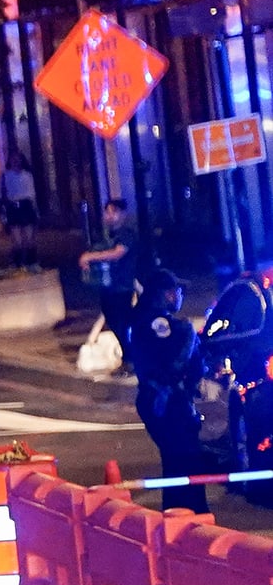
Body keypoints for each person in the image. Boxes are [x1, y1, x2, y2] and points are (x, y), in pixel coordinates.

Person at [125, 270, 209, 513]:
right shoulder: (157, 324)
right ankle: (190, 515)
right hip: (166, 402)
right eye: (177, 291)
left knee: (177, 464)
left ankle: (178, 514)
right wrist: (189, 335)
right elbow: (171, 365)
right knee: (186, 463)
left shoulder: (144, 320)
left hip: (162, 401)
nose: (180, 296)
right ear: (166, 294)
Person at [204, 256, 273, 500]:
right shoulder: (253, 293)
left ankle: (256, 482)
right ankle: (258, 484)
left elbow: (214, 335)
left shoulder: (250, 293)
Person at [78, 200, 142, 332]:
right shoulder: (108, 236)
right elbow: (101, 252)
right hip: (108, 286)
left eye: (114, 212)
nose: (110, 215)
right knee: (113, 321)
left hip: (122, 287)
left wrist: (90, 257)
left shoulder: (126, 234)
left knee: (122, 324)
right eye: (107, 212)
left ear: (123, 214)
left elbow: (117, 253)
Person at [0, 152, 39, 268]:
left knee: (29, 238)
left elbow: (32, 194)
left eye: (18, 159)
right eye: (13, 159)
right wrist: (2, 213)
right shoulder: (4, 176)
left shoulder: (27, 175)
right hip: (13, 208)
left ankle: (32, 263)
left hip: (26, 206)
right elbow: (0, 195)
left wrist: (36, 211)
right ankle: (18, 264)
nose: (16, 161)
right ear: (10, 161)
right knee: (17, 240)